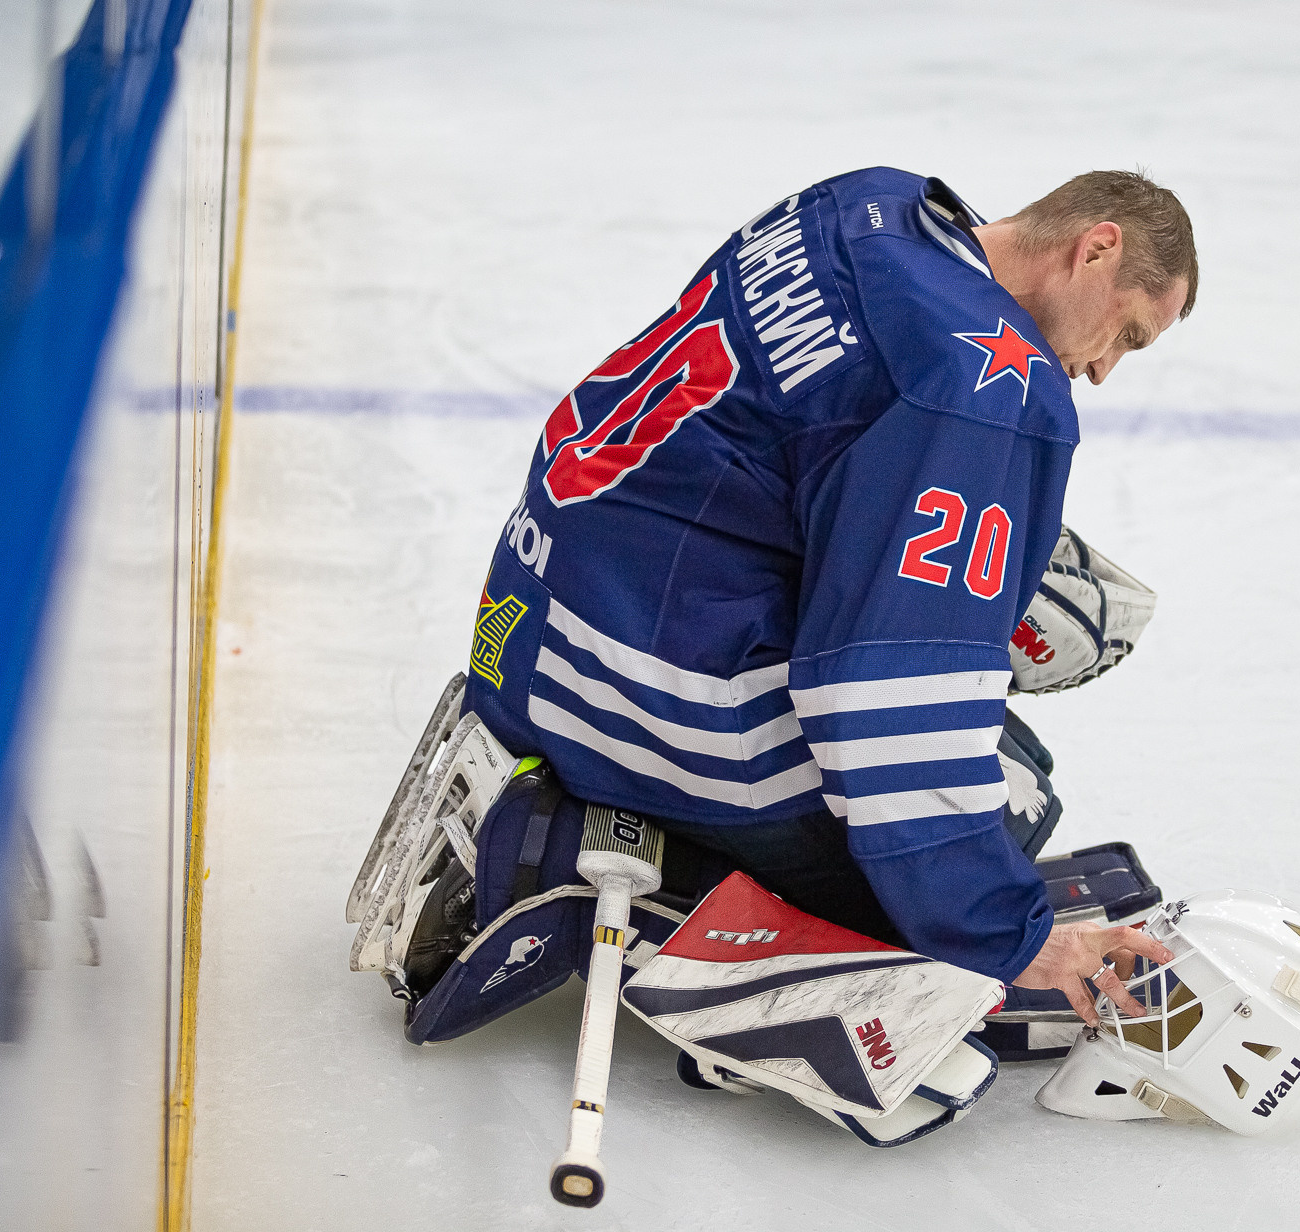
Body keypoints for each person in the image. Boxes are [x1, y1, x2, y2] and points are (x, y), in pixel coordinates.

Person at [455, 169, 1195, 1019]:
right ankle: (559, 859)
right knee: (1011, 790)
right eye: (1127, 334)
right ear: (1095, 247)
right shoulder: (987, 387)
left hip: (528, 626)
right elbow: (886, 719)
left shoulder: (866, 208)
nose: (1102, 370)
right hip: (637, 698)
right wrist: (1009, 933)